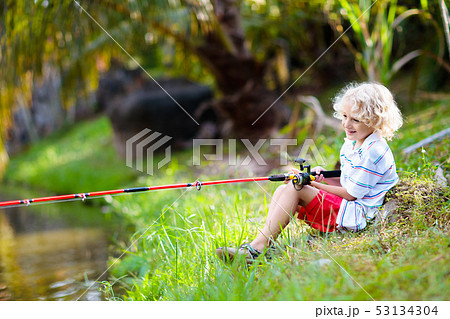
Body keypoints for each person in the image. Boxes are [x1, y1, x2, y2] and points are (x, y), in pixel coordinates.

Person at [216, 82, 403, 263]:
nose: (347, 124)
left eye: (355, 120)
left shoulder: (374, 151)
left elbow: (352, 195)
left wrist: (311, 184)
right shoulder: (353, 143)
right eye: (345, 116)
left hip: (357, 215)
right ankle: (264, 244)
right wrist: (324, 180)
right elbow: (348, 184)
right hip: (349, 205)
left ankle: (256, 249)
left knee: (296, 188)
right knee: (283, 190)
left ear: (375, 121)